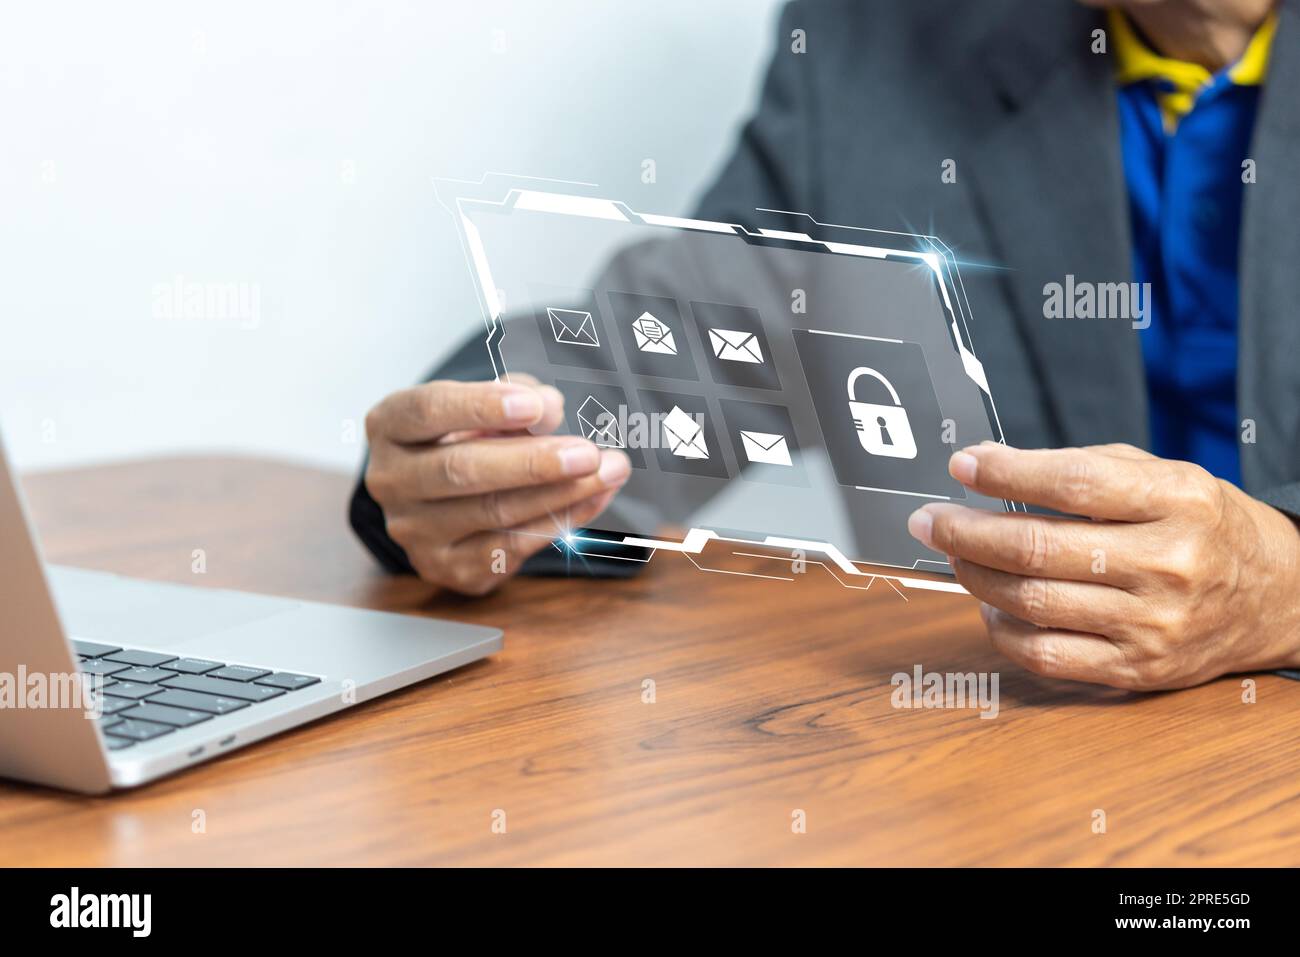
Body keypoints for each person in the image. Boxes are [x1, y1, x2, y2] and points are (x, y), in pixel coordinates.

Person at [352, 0, 1300, 691]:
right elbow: (660, 358)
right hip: (1000, 781)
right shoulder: (870, 42)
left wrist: (1283, 592)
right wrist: (465, 476)